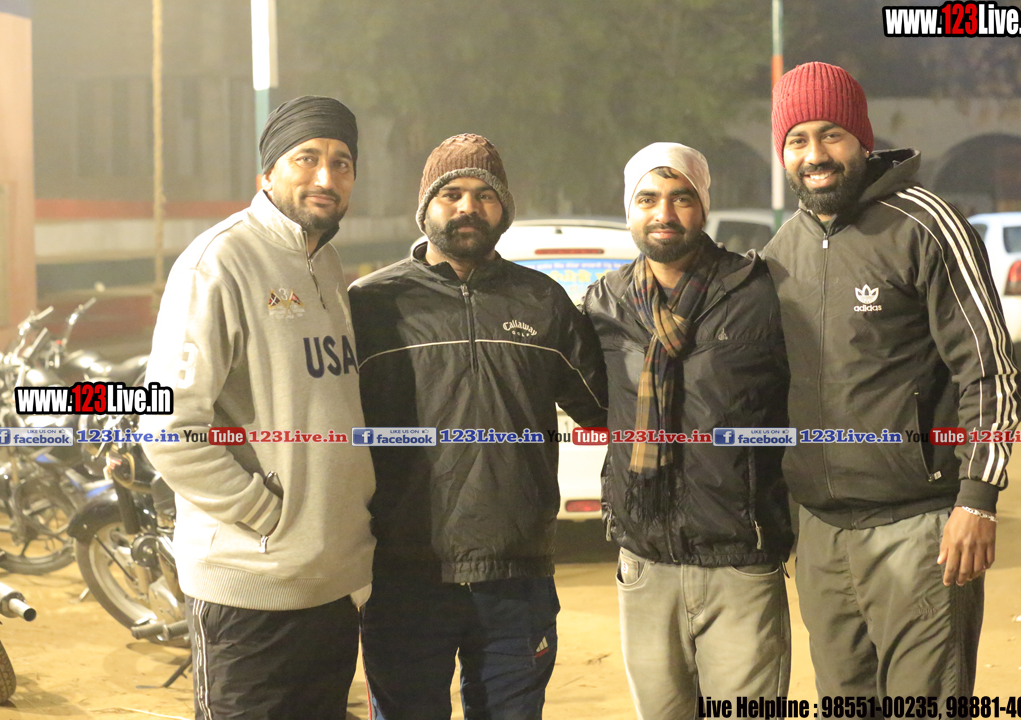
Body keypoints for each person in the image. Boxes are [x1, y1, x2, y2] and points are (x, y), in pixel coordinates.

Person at [763, 62, 1021, 698]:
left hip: (920, 528)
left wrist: (976, 499)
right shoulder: (781, 251)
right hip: (821, 536)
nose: (815, 155)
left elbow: (989, 370)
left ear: (862, 138)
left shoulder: (927, 224)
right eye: (797, 140)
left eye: (831, 135)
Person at [349, 133, 607, 720]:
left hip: (516, 577)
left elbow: (607, 408)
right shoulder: (371, 305)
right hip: (403, 575)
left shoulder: (542, 301)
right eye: (452, 194)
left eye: (485, 195)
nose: (468, 207)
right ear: (426, 208)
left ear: (503, 209)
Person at [140, 96, 376, 720]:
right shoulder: (219, 261)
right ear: (267, 173)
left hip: (330, 585)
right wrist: (267, 514)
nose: (326, 176)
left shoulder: (327, 263)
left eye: (342, 162)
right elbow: (167, 427)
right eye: (307, 158)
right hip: (249, 589)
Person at [582, 143, 793, 715]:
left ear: (703, 207)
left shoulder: (758, 293)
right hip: (645, 563)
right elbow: (590, 402)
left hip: (739, 560)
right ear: (629, 210)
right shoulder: (605, 304)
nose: (664, 213)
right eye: (648, 199)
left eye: (681, 198)